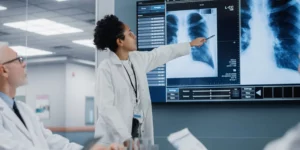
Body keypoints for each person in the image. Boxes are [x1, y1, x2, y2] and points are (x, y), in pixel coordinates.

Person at [93, 14, 206, 146]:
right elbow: (106, 108)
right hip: (114, 139)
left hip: (135, 132)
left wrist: (189, 44)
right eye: (130, 34)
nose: (134, 36)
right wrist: (125, 137)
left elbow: (161, 53)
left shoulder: (137, 59)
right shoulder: (106, 69)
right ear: (120, 41)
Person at [0, 43, 124, 150]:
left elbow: (52, 142)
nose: (24, 64)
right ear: (4, 70)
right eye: (19, 60)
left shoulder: (24, 110)